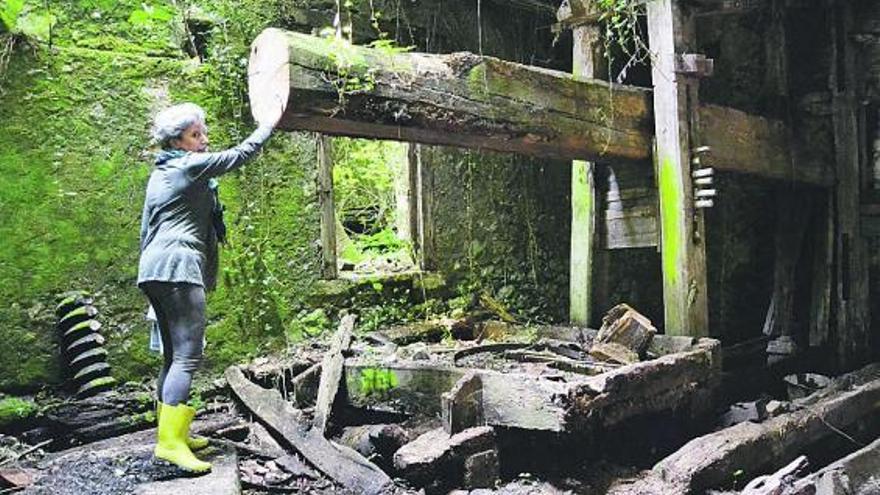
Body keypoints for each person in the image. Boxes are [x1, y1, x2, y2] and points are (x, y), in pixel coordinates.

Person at [138, 102, 279, 473]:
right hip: (178, 267)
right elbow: (241, 154)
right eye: (195, 135)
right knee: (187, 357)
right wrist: (270, 121)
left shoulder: (163, 172)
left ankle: (173, 434)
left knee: (172, 357)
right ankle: (170, 444)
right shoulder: (187, 166)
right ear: (178, 142)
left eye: (203, 133)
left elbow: (147, 229)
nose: (203, 140)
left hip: (156, 268)